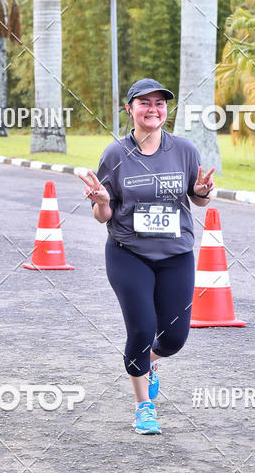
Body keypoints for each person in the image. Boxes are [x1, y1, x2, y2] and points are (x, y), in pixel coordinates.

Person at [78, 78, 215, 435]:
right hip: (129, 253)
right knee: (140, 329)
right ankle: (143, 407)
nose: (153, 109)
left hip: (176, 253)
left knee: (173, 339)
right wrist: (103, 202)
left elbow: (196, 199)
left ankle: (147, 364)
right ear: (130, 110)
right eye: (144, 103)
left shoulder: (184, 150)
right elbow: (103, 215)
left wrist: (202, 193)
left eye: (159, 104)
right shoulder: (114, 154)